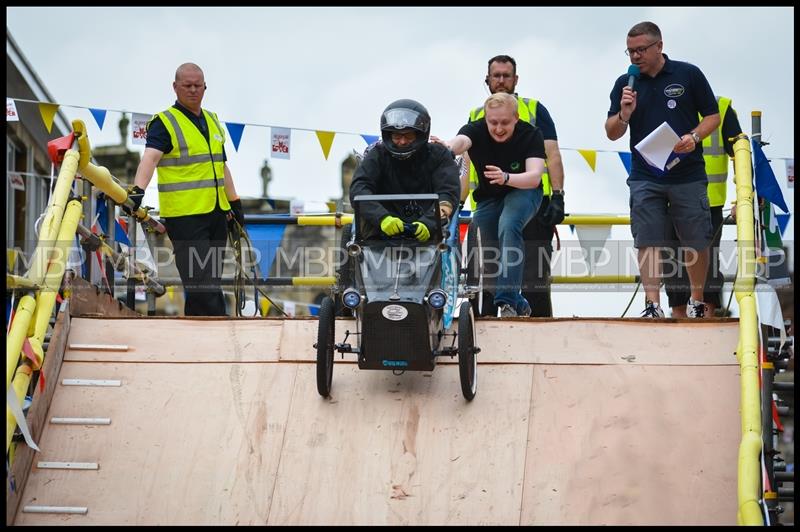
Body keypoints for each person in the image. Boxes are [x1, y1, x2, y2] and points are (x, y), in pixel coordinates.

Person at [605, 21, 720, 319]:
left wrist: (694, 137)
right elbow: (611, 132)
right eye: (630, 51)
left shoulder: (688, 74)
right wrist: (624, 114)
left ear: (659, 46)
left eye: (641, 50)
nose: (634, 57)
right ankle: (652, 304)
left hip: (687, 172)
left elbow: (712, 116)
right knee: (647, 238)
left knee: (695, 238)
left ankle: (696, 300)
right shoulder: (624, 84)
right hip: (645, 174)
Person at [127, 62, 244, 316]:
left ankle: (197, 333)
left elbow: (221, 166)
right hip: (185, 216)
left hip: (216, 213)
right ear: (175, 87)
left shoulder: (213, 120)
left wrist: (234, 203)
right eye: (187, 85)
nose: (193, 90)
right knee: (201, 281)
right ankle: (220, 329)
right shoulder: (164, 122)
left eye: (197, 86)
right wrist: (138, 190)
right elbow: (150, 158)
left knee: (207, 281)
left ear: (205, 88)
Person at [463, 55, 566, 317]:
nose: (500, 80)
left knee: (534, 276)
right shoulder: (476, 116)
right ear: (487, 80)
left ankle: (537, 327)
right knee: (483, 271)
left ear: (515, 79)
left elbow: (552, 154)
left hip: (530, 205)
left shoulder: (534, 110)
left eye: (505, 75)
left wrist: (557, 195)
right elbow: (463, 164)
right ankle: (482, 327)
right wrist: (455, 203)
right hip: (488, 202)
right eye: (495, 75)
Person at [437, 92, 546, 317]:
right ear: (485, 119)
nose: (498, 129)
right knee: (485, 242)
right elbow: (462, 141)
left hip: (523, 190)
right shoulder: (476, 129)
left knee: (509, 223)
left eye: (505, 123)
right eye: (493, 122)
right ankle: (517, 301)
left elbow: (535, 176)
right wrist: (446, 148)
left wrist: (506, 177)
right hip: (490, 196)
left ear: (516, 118)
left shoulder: (531, 134)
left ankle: (507, 302)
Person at [664, 96, 743, 317]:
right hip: (668, 198)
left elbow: (741, 153)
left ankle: (705, 329)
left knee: (707, 269)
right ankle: (681, 331)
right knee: (673, 270)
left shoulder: (723, 107)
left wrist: (741, 200)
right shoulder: (665, 101)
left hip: (708, 202)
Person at [349, 99, 460, 243]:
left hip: (429, 233)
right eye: (396, 136)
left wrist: (429, 222)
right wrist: (382, 218)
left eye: (408, 136)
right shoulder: (377, 154)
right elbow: (358, 189)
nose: (402, 141)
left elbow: (448, 193)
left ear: (421, 134)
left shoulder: (440, 155)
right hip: (380, 232)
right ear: (388, 135)